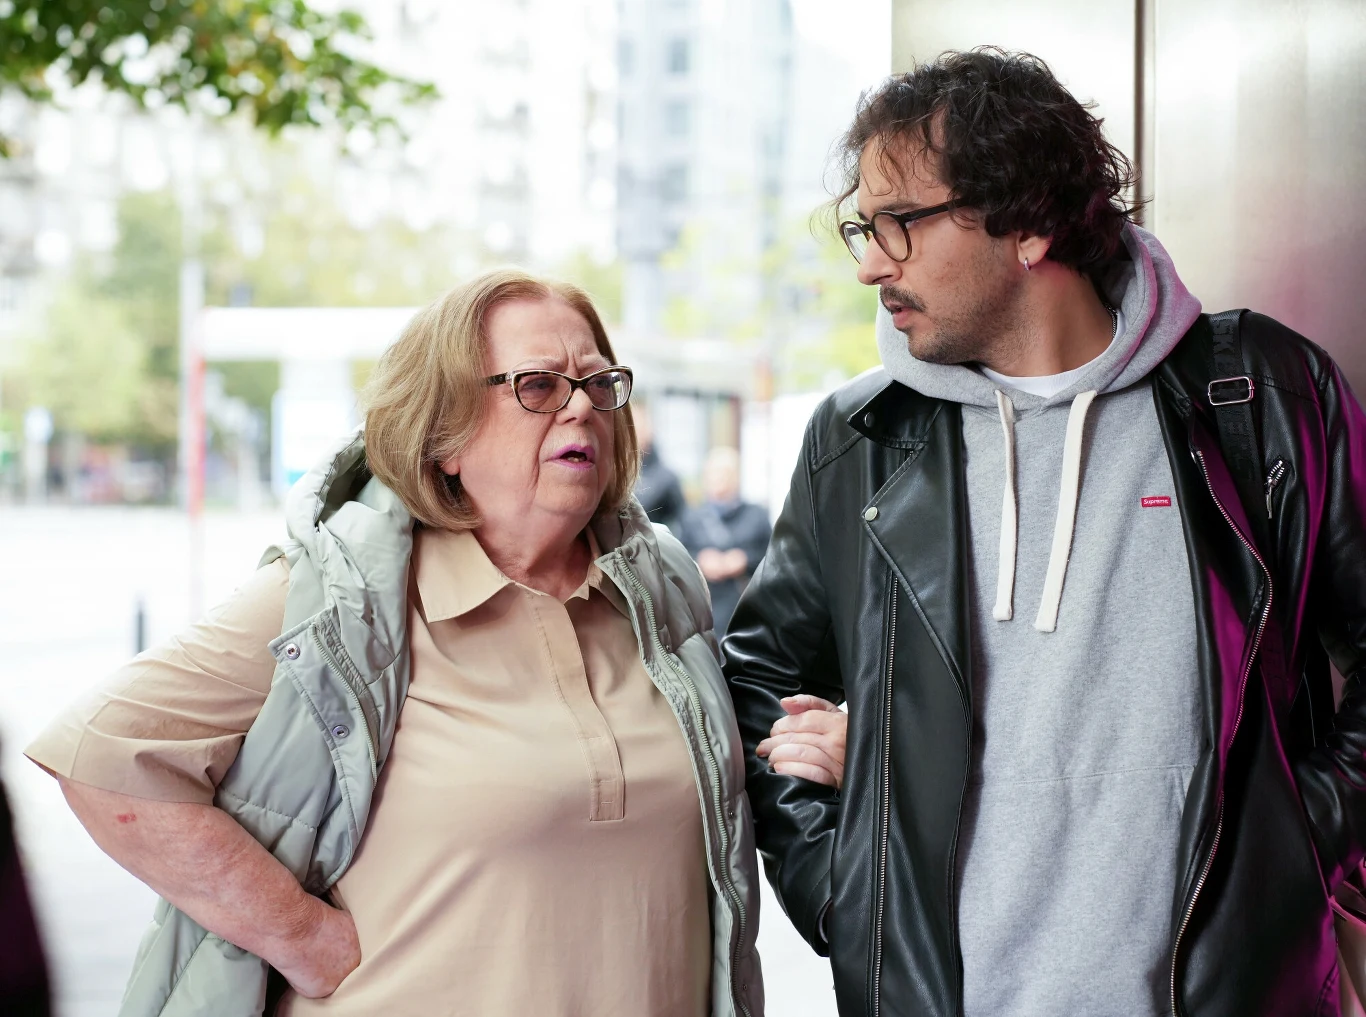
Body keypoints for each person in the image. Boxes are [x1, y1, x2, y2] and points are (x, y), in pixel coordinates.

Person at [725, 48, 1366, 1017]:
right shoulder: (863, 441)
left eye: (899, 223)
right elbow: (757, 680)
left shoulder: (1260, 394)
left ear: (1027, 223)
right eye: (863, 227)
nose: (869, 264)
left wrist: (1300, 837)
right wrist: (847, 892)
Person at [22, 268, 818, 1017]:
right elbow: (103, 752)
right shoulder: (342, 601)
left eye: (599, 383)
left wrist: (828, 747)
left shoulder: (659, 584)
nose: (581, 408)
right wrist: (299, 933)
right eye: (538, 385)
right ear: (445, 436)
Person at [680, 447, 771, 637]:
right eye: (712, 474)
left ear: (736, 477)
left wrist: (745, 560)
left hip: (746, 612)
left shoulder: (757, 516)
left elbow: (773, 558)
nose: (718, 479)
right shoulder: (691, 518)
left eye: (724, 474)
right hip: (703, 614)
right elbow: (678, 558)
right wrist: (699, 560)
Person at [632, 403, 687, 531]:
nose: (636, 434)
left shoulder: (666, 479)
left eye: (640, 428)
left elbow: (683, 521)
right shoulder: (612, 472)